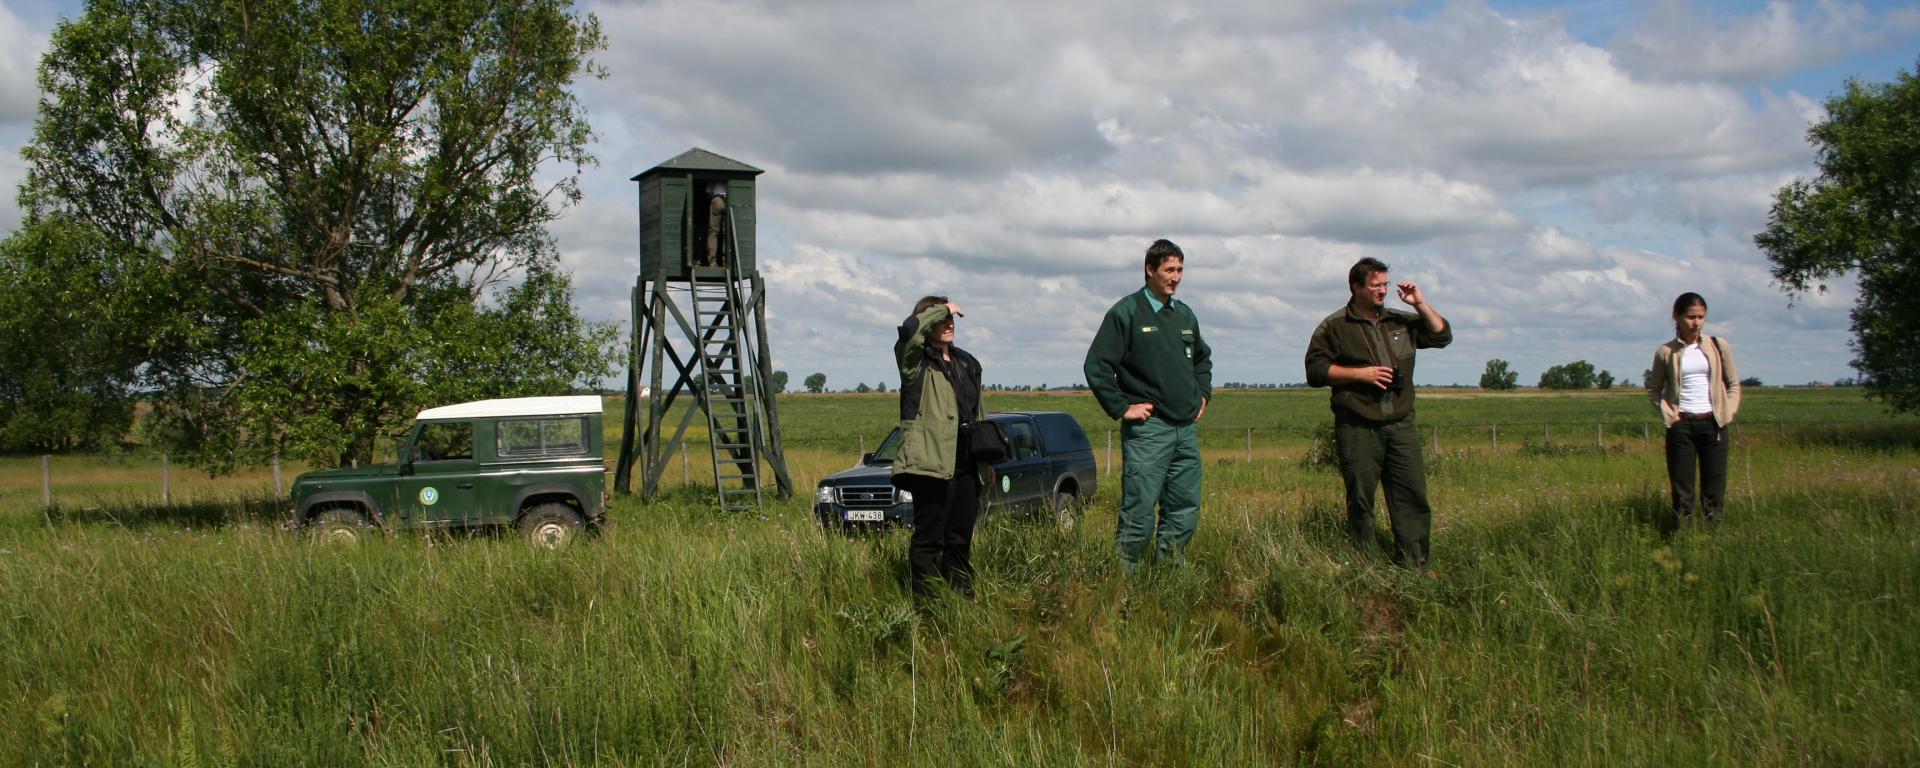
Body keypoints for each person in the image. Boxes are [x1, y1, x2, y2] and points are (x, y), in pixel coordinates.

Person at [1305, 258, 1452, 567]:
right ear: (1356, 287)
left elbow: (1441, 336)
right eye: (1375, 285)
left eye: (1385, 284)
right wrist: (1360, 375)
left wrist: (1420, 303)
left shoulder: (1401, 321)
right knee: (1361, 500)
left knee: (1411, 496)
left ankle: (1415, 566)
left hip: (1402, 425)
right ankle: (1366, 566)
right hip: (1358, 427)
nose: (1383, 291)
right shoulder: (1335, 326)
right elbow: (1315, 371)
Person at [1083, 239, 1213, 572]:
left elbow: (1202, 359)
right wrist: (1122, 407)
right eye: (1170, 269)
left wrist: (1203, 395)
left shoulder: (1184, 314)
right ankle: (1126, 576)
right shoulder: (1126, 312)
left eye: (1180, 269)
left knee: (1184, 506)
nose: (1177, 277)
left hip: (1185, 428)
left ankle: (1169, 573)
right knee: (1139, 507)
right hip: (1149, 430)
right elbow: (1096, 365)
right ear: (1149, 270)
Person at [892, 295, 986, 599]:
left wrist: (986, 461)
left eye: (951, 319)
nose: (948, 323)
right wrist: (943, 308)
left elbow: (977, 412)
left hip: (967, 463)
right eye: (941, 319)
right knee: (929, 539)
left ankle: (962, 600)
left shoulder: (967, 362)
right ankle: (928, 605)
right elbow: (909, 330)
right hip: (930, 464)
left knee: (960, 538)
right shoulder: (914, 362)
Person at [1647, 292, 1740, 525]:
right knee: (1682, 491)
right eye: (1691, 317)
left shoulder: (1718, 346)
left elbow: (1733, 384)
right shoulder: (1666, 352)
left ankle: (1713, 536)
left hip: (1713, 424)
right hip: (1681, 426)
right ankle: (1683, 538)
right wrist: (1670, 415)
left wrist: (1727, 413)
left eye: (1701, 317)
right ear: (1676, 317)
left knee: (1714, 489)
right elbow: (1654, 389)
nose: (1696, 323)